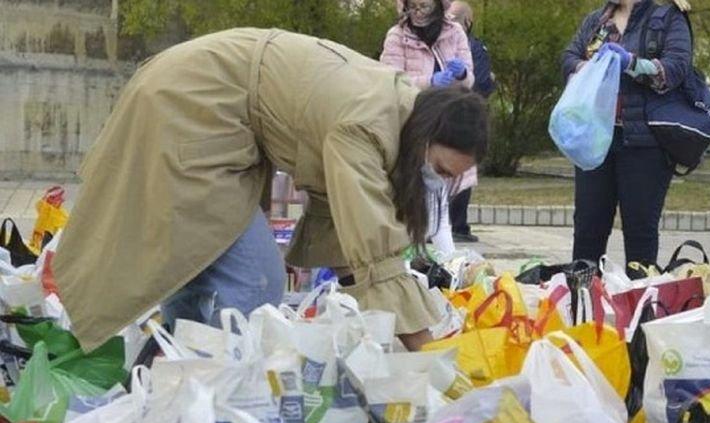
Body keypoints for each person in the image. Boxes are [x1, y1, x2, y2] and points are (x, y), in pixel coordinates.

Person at [52, 29, 489, 353]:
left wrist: (390, 319)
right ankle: (212, 387)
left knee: (195, 259)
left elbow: (349, 240)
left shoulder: (398, 110)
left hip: (198, 100)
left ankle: (168, 376)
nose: (439, 183)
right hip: (191, 106)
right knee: (256, 278)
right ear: (426, 136)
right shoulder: (365, 126)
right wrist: (427, 358)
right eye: (438, 169)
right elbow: (374, 250)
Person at [561, 0, 693, 268]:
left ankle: (641, 303)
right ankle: (583, 303)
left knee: (640, 231)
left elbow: (676, 68)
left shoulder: (667, 17)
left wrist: (631, 63)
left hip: (645, 144)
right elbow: (568, 57)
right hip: (595, 141)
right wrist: (586, 68)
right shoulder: (596, 20)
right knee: (588, 228)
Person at [381, 0, 475, 256]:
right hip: (411, 123)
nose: (419, 12)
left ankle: (447, 259)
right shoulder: (397, 35)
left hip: (446, 125)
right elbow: (389, 80)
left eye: (425, 6)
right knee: (407, 192)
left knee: (438, 192)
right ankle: (402, 254)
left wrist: (460, 74)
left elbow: (470, 78)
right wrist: (428, 82)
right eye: (414, 7)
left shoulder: (454, 32)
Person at [447, 0, 496, 243]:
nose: (449, 22)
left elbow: (482, 82)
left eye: (455, 18)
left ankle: (457, 224)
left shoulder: (474, 48)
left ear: (468, 22)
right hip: (442, 116)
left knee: (461, 171)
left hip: (464, 116)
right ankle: (451, 225)